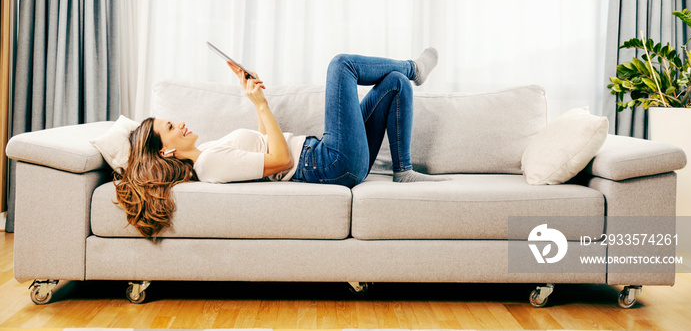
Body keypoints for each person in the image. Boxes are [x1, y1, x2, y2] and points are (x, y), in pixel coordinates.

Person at [115, 49, 448, 238]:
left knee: (393, 84)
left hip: (330, 156)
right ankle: (415, 67)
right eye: (171, 126)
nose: (181, 123)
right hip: (329, 161)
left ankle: (402, 169)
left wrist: (256, 97)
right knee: (340, 65)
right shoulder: (209, 164)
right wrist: (260, 105)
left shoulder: (209, 154)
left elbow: (263, 143)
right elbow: (280, 161)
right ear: (167, 151)